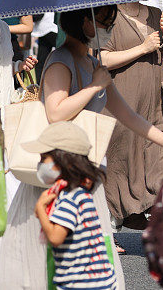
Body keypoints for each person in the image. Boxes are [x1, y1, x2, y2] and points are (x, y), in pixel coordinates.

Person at [0, 5, 163, 290]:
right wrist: (94, 87)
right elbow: (55, 112)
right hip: (60, 173)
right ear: (86, 24)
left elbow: (128, 116)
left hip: (86, 170)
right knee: (57, 263)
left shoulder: (91, 64)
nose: (110, 29)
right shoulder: (60, 60)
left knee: (88, 263)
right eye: (106, 22)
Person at [99, 0, 163, 236]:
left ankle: (160, 221)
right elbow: (103, 58)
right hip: (123, 101)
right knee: (121, 161)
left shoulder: (155, 14)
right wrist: (142, 48)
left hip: (155, 103)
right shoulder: (109, 15)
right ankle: (116, 221)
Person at [28, 122, 117, 290]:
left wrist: (40, 208)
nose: (40, 165)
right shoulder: (81, 193)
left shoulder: (69, 198)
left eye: (43, 159)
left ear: (64, 161)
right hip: (98, 280)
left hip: (81, 282)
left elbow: (55, 238)